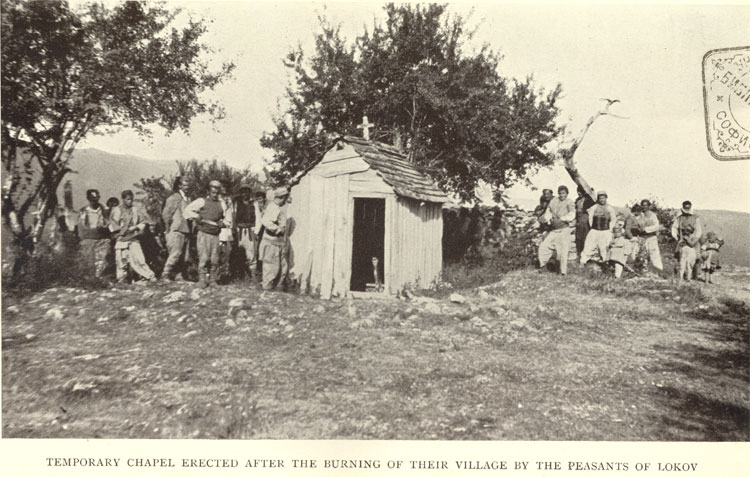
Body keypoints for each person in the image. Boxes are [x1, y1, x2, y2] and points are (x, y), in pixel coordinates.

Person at [184, 180, 227, 288]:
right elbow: (187, 211)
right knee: (204, 258)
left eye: (217, 192)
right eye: (213, 192)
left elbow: (228, 218)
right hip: (203, 234)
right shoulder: (201, 201)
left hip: (215, 235)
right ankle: (202, 280)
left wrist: (223, 223)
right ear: (208, 191)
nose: (215, 194)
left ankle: (213, 280)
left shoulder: (222, 204)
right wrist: (196, 216)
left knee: (214, 259)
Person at [110, 190, 156, 283]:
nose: (129, 201)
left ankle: (149, 276)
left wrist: (136, 227)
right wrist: (120, 231)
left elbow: (144, 221)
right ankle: (122, 279)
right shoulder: (117, 210)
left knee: (139, 259)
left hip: (134, 237)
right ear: (123, 199)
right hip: (121, 239)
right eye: (127, 199)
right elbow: (112, 224)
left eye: (131, 199)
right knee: (121, 260)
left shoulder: (135, 210)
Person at [537, 185, 576, 275]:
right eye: (560, 193)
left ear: (567, 194)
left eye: (564, 193)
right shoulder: (554, 201)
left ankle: (563, 272)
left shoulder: (569, 202)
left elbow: (572, 215)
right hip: (554, 230)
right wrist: (547, 219)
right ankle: (543, 266)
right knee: (544, 247)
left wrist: (562, 218)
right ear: (558, 194)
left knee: (563, 251)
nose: (562, 195)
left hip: (564, 229)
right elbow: (548, 212)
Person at [161, 176, 192, 281]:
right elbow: (166, 214)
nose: (188, 186)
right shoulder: (174, 198)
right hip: (176, 229)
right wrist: (167, 229)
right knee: (175, 253)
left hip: (186, 230)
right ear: (179, 185)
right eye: (185, 184)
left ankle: (179, 276)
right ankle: (165, 274)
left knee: (184, 256)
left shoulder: (188, 199)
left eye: (188, 183)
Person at [259, 186, 289, 291]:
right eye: (285, 198)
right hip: (272, 241)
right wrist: (277, 229)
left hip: (278, 241)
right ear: (282, 197)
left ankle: (278, 286)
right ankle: (267, 287)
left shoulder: (278, 208)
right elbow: (266, 221)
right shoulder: (273, 207)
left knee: (281, 265)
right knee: (271, 265)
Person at [78, 188, 111, 278]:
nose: (94, 201)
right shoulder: (83, 211)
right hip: (88, 238)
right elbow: (82, 225)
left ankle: (99, 278)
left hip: (102, 238)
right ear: (88, 198)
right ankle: (88, 279)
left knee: (102, 260)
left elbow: (109, 223)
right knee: (88, 260)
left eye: (96, 198)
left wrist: (104, 226)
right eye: (92, 199)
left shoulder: (104, 209)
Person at [233, 183, 262, 281]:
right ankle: (240, 274)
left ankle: (253, 275)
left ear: (249, 193)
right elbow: (234, 217)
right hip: (240, 231)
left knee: (251, 253)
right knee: (239, 252)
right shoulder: (236, 203)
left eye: (246, 191)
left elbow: (258, 218)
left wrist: (256, 231)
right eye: (242, 192)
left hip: (251, 231)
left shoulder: (254, 204)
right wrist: (235, 230)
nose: (244, 194)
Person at [580, 191, 618, 265]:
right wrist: (593, 227)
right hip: (595, 230)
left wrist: (610, 229)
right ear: (598, 199)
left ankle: (605, 263)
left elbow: (613, 219)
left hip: (605, 231)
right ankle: (583, 261)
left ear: (606, 198)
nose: (602, 200)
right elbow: (590, 218)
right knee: (589, 246)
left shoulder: (610, 208)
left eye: (603, 198)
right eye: (600, 198)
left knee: (605, 247)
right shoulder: (594, 207)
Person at [671, 200, 702, 281]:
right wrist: (676, 237)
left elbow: (699, 230)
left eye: (688, 207)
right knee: (680, 256)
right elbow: (674, 227)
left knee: (696, 257)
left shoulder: (695, 218)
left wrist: (695, 239)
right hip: (682, 240)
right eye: (685, 207)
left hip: (693, 240)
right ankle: (680, 275)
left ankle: (694, 275)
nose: (687, 209)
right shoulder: (679, 218)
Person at [636, 199, 663, 272]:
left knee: (654, 254)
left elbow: (656, 226)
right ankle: (643, 270)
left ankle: (658, 270)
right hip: (642, 237)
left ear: (648, 206)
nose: (644, 207)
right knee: (642, 253)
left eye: (646, 205)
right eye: (642, 205)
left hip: (651, 237)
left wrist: (646, 229)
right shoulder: (639, 215)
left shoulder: (652, 215)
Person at [218, 185, 235, 283]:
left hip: (228, 231)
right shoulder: (217, 200)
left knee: (227, 253)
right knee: (218, 252)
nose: (224, 189)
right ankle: (214, 275)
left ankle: (224, 275)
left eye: (226, 187)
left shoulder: (229, 200)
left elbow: (231, 215)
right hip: (219, 230)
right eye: (222, 187)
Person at [574, 186, 596, 256]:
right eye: (578, 191)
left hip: (586, 220)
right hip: (578, 220)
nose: (578, 193)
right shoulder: (577, 200)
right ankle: (579, 253)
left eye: (580, 191)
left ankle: (585, 254)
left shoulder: (588, 199)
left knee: (585, 237)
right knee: (578, 237)